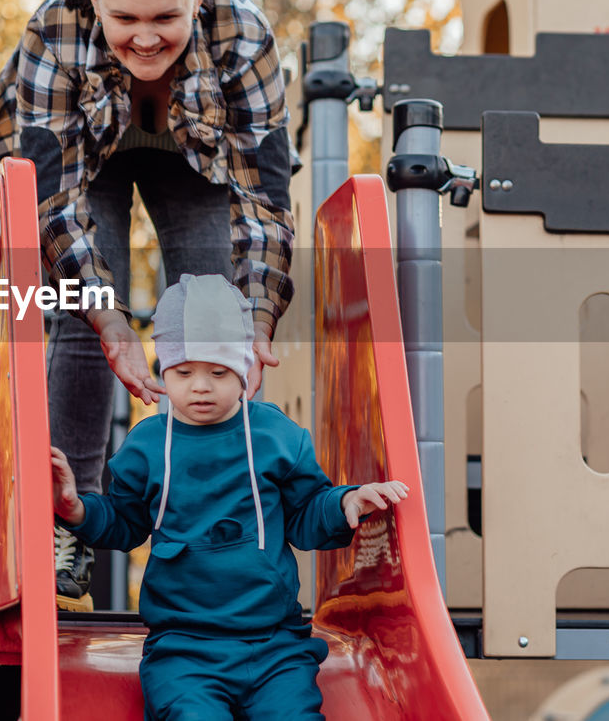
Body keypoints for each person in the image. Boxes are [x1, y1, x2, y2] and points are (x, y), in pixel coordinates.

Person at [0, 0, 297, 609]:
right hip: (77, 160)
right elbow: (56, 202)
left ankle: (226, 522)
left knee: (221, 311)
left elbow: (265, 197)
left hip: (195, 156)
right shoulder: (55, 32)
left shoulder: (244, 37)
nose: (146, 36)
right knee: (87, 316)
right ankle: (70, 524)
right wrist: (109, 319)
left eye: (166, 16)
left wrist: (260, 312)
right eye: (125, 17)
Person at [50, 274, 409, 720]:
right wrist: (76, 508)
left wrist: (344, 503)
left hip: (273, 645)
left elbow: (304, 514)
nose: (200, 386)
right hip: (184, 649)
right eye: (183, 372)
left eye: (218, 372)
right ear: (165, 369)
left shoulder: (276, 436)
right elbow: (125, 520)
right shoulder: (147, 445)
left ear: (243, 368)